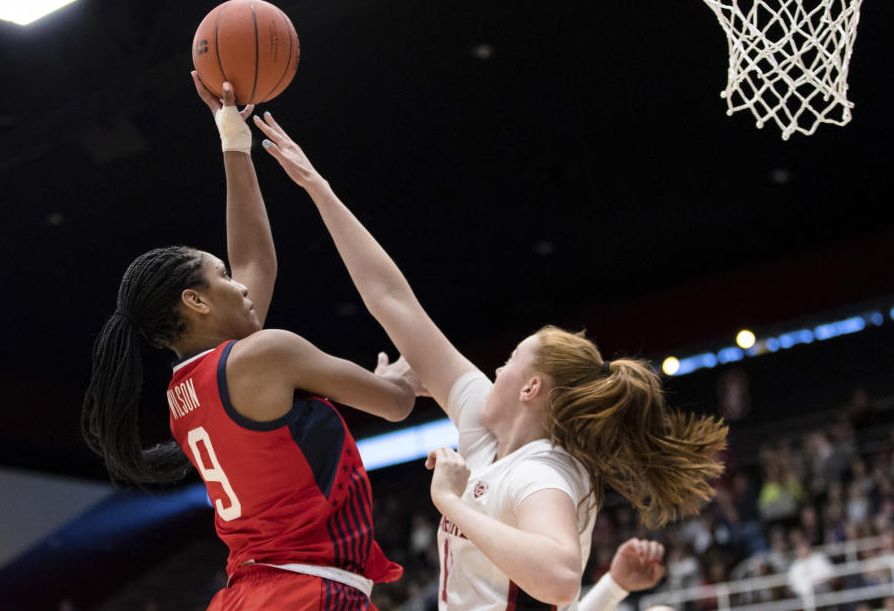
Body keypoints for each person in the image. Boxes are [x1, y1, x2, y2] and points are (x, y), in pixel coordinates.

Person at [252, 114, 728, 610]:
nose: (495, 371)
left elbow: (561, 579)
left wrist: (452, 502)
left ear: (531, 389)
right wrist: (317, 186)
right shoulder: (485, 430)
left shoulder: (543, 473)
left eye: (509, 363)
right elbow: (393, 301)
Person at [81, 76, 418, 611]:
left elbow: (256, 263)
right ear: (195, 302)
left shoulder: (187, 389)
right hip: (305, 592)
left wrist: (231, 140)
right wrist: (403, 375)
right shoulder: (264, 355)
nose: (238, 283)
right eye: (221, 276)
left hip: (255, 594)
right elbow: (396, 404)